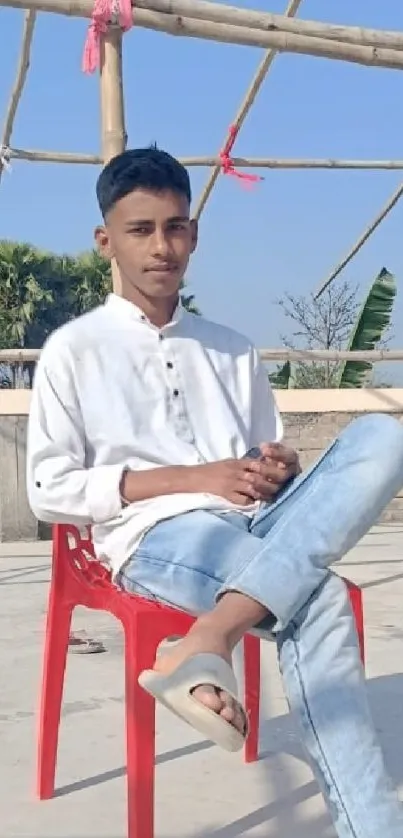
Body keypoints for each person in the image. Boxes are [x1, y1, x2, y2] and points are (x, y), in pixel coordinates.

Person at [27, 146, 403, 837]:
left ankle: (205, 638)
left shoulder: (231, 348)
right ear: (105, 240)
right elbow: (49, 490)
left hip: (255, 521)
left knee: (385, 435)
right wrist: (196, 478)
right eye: (140, 230)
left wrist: (275, 467)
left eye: (175, 227)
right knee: (315, 597)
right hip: (155, 535)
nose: (161, 247)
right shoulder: (73, 350)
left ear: (193, 234)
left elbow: (262, 452)